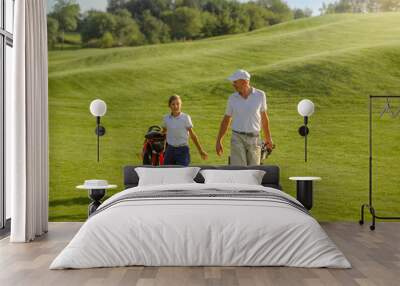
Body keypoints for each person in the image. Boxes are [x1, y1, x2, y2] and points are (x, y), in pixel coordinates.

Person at [216, 69, 273, 166]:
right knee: (239, 169)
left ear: (244, 82)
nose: (233, 84)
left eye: (235, 82)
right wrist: (219, 140)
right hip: (237, 137)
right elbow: (226, 120)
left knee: (254, 169)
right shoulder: (232, 98)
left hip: (255, 138)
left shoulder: (260, 95)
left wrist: (268, 139)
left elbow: (264, 118)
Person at [162, 95, 208, 166]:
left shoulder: (186, 118)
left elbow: (193, 135)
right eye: (173, 104)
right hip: (170, 150)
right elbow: (163, 133)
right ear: (169, 106)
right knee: (167, 172)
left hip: (183, 150)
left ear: (181, 105)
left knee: (183, 173)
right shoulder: (166, 118)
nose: (175, 106)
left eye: (178, 104)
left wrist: (200, 150)